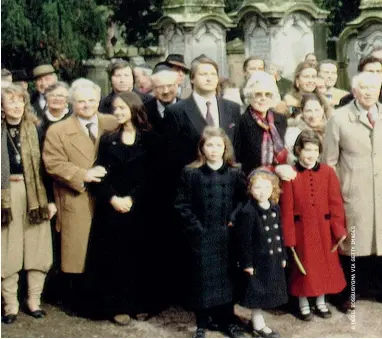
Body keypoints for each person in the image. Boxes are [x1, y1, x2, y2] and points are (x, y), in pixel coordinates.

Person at [42, 79, 118, 315]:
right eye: (81, 101)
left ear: (99, 100)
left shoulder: (112, 123)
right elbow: (52, 163)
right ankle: (77, 301)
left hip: (108, 196)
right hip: (77, 196)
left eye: (92, 100)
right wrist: (82, 174)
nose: (87, 105)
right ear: (72, 103)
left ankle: (108, 300)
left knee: (108, 249)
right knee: (77, 252)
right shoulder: (58, 130)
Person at [85, 91, 157, 325]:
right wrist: (113, 198)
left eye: (122, 108)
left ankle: (140, 303)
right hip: (112, 208)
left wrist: (132, 199)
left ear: (134, 108)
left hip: (141, 208)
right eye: (115, 108)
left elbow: (154, 176)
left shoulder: (151, 138)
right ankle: (118, 305)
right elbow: (100, 174)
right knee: (115, 258)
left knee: (142, 256)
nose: (117, 112)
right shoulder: (107, 139)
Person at [175, 126, 247, 338]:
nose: (214, 149)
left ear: (225, 147)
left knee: (226, 279)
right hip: (202, 235)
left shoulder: (234, 172)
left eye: (218, 145)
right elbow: (181, 204)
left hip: (227, 235)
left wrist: (233, 220)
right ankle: (202, 322)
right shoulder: (191, 173)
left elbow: (242, 201)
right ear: (202, 148)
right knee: (202, 279)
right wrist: (196, 228)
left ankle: (226, 321)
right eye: (209, 145)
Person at [322, 72, 382, 311]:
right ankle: (349, 291)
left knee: (380, 241)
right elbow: (329, 161)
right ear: (354, 91)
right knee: (354, 243)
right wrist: (338, 192)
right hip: (354, 191)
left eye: (373, 87)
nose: (368, 92)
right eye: (363, 88)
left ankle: (377, 288)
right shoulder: (339, 118)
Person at [1, 84, 55, 324]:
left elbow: (48, 168)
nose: (16, 106)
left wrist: (51, 201)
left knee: (37, 248)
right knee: (8, 250)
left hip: (35, 193)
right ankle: (10, 305)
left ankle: (34, 300)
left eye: (20, 101)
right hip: (6, 195)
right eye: (10, 101)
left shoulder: (36, 129)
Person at [280, 130, 347, 320]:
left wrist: (338, 228)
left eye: (315, 150)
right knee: (304, 268)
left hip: (324, 230)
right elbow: (286, 209)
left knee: (324, 267)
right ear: (298, 150)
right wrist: (289, 237)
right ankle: (303, 304)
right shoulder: (290, 174)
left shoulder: (327, 172)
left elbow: (335, 203)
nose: (310, 154)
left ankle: (320, 301)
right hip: (302, 231)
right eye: (306, 150)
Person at [164, 56, 241, 176]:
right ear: (192, 78)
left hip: (226, 183)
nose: (209, 78)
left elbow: (236, 147)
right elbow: (171, 155)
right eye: (203, 74)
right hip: (191, 183)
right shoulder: (176, 111)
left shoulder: (232, 108)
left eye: (213, 74)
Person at [236, 168, 288, 338]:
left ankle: (257, 320)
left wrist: (283, 256)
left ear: (273, 188)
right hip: (257, 260)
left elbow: (279, 233)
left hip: (272, 257)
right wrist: (247, 264)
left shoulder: (274, 208)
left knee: (267, 290)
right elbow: (245, 241)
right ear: (250, 189)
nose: (262, 192)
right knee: (256, 293)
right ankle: (258, 325)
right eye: (257, 188)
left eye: (266, 187)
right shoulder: (248, 211)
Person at [37, 81, 72, 304]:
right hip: (47, 184)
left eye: (61, 96)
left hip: (71, 185)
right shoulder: (39, 122)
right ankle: (48, 289)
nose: (57, 99)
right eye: (53, 96)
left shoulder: (73, 120)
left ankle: (67, 289)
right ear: (46, 98)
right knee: (49, 239)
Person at [236, 72, 296, 183]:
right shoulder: (241, 122)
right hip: (252, 183)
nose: (263, 98)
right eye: (258, 94)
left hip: (279, 181)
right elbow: (238, 159)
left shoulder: (281, 119)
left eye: (267, 94)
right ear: (249, 96)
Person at [284, 93, 329, 165]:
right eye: (309, 111)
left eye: (317, 110)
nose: (313, 115)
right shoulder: (292, 134)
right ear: (302, 111)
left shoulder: (332, 131)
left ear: (322, 109)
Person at [144, 65, 179, 136]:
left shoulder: (189, 108)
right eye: (160, 87)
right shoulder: (144, 111)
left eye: (169, 85)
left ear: (177, 86)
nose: (165, 91)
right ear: (153, 89)